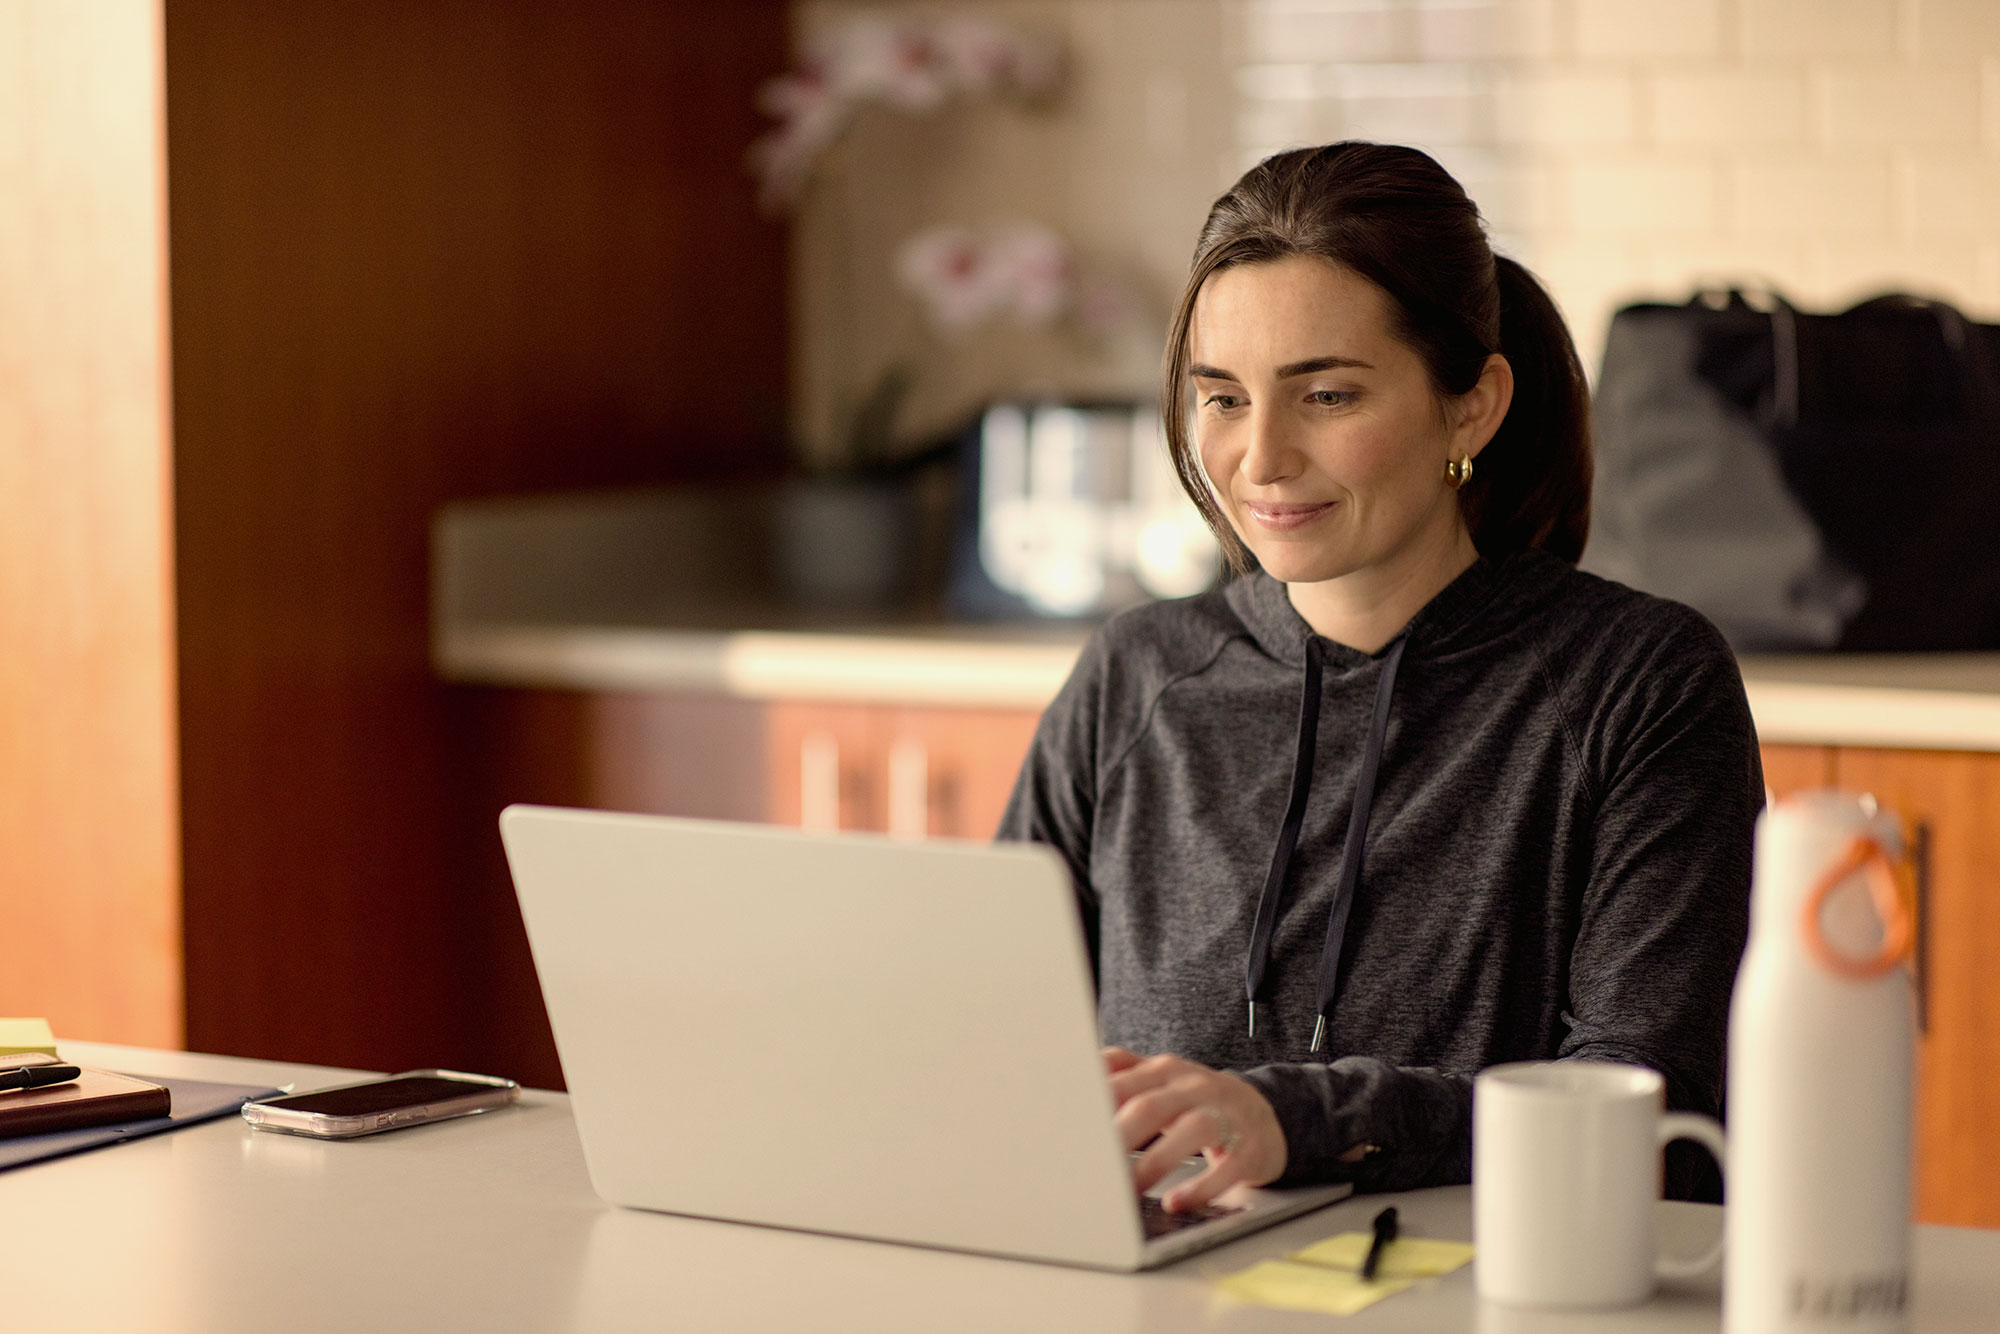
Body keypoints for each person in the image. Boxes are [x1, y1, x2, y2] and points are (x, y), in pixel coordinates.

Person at [996, 142, 1759, 1214]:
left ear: (1471, 407)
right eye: (1220, 399)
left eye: (1325, 395)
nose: (1258, 459)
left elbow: (1653, 1121)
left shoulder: (1635, 684)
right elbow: (991, 1048)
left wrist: (1302, 1120)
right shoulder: (1136, 676)